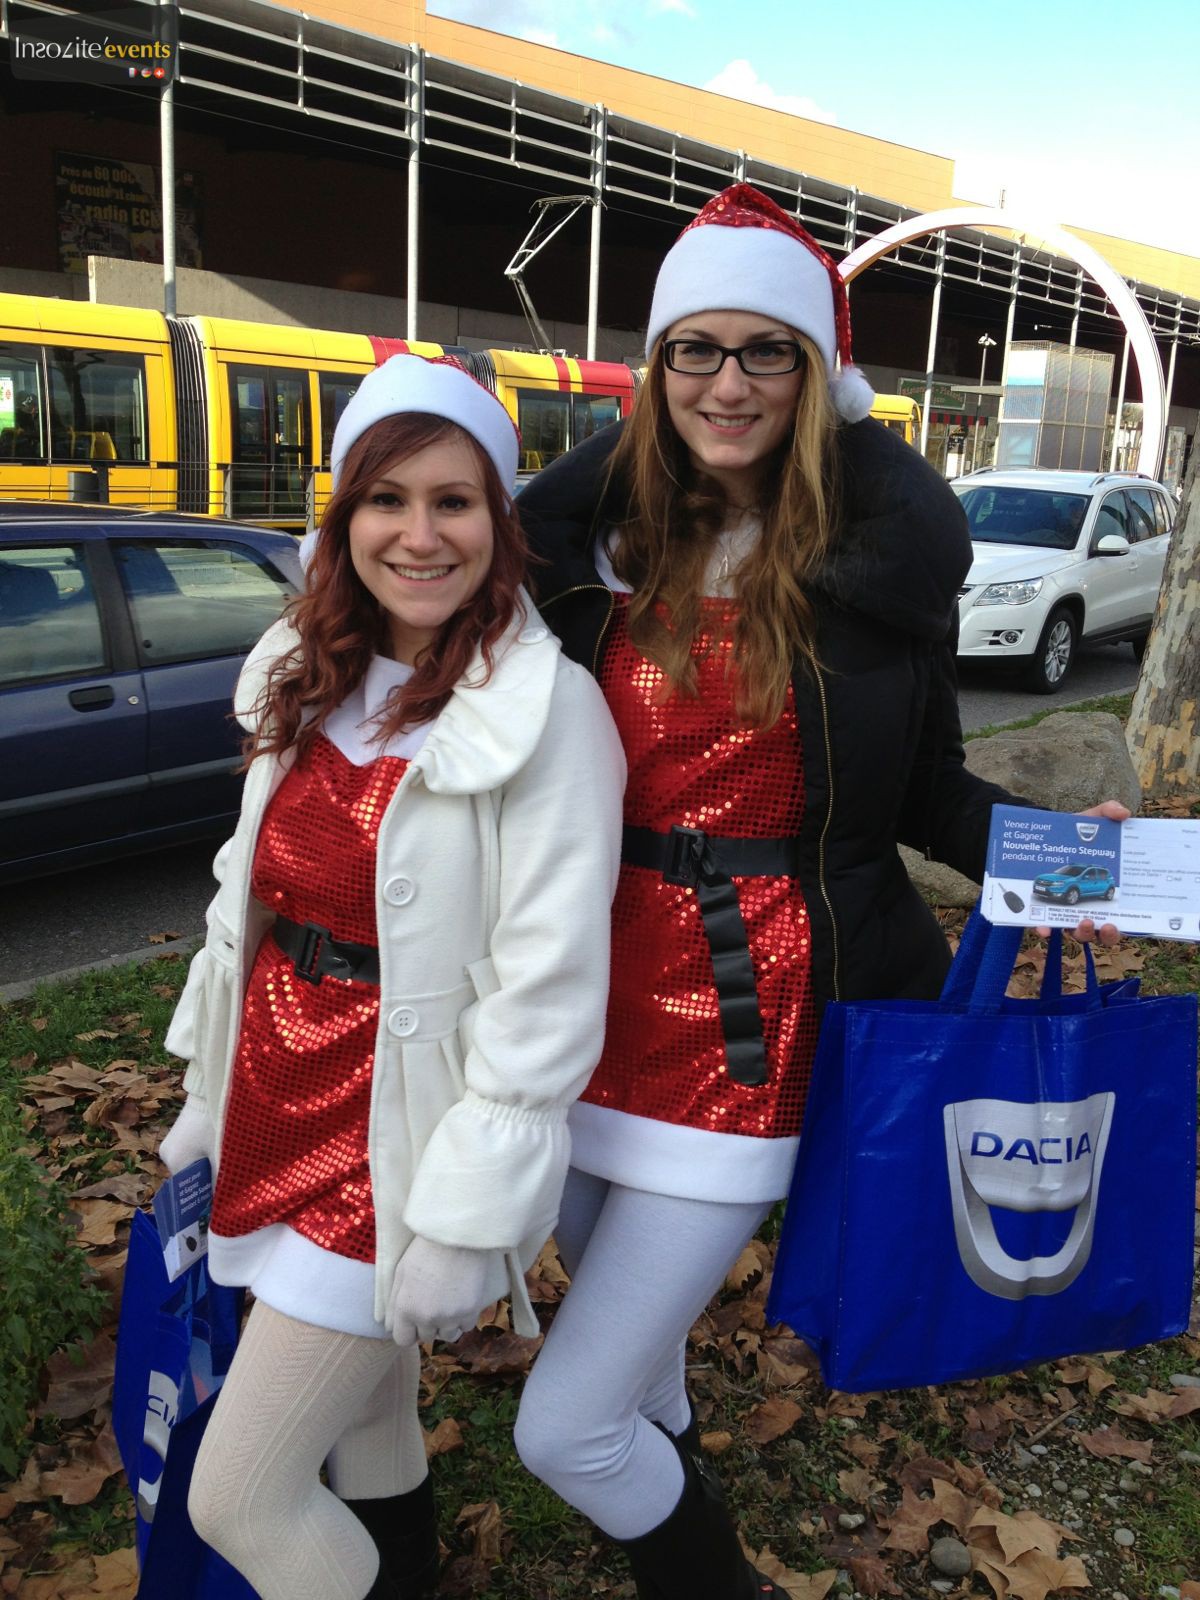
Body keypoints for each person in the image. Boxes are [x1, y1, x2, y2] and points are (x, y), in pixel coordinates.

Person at [511, 184, 1127, 1600]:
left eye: (766, 350)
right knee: (638, 1365)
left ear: (816, 376)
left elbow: (928, 798)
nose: (729, 383)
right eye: (696, 351)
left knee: (565, 1419)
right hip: (583, 1011)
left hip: (754, 1022)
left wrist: (1076, 858)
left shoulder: (874, 581)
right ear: (655, 374)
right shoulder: (596, 558)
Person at [157, 353, 624, 1600]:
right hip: (275, 1082)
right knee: (367, 1428)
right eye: (386, 500)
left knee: (240, 1496)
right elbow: (239, 896)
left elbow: (550, 982)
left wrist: (470, 1213)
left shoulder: (551, 711)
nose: (419, 535)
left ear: (500, 523)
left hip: (396, 1136)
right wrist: (208, 1088)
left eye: (454, 501)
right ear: (343, 516)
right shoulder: (303, 668)